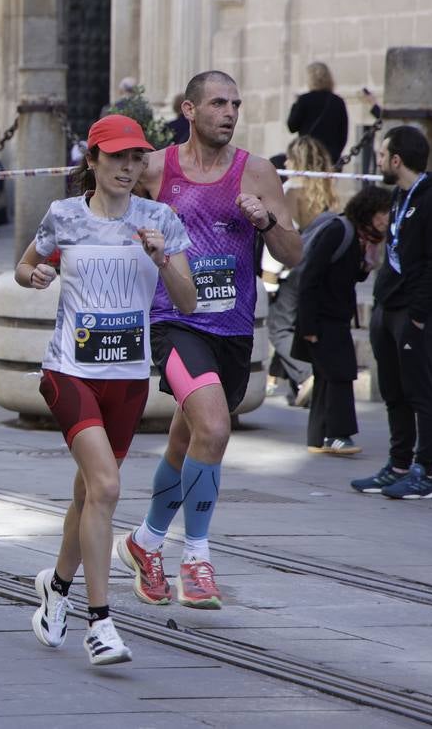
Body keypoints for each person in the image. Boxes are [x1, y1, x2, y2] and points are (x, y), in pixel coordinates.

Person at [116, 70, 301, 610]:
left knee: (187, 438)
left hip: (233, 331)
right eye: (218, 103)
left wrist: (266, 222)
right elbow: (100, 197)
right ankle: (195, 558)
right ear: (189, 110)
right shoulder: (155, 167)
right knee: (216, 427)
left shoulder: (258, 173)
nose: (229, 112)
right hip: (174, 322)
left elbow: (294, 254)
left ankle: (143, 542)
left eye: (236, 104)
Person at [16, 115, 195, 666]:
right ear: (91, 161)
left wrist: (163, 256)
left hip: (127, 380)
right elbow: (25, 265)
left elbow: (187, 303)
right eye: (116, 157)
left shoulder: (159, 219)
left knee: (88, 495)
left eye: (136, 157)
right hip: (69, 372)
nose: (127, 166)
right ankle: (102, 624)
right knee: (108, 487)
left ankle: (57, 587)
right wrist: (36, 276)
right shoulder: (64, 216)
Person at [350, 126, 432, 499]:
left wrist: (419, 313)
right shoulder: (399, 195)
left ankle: (426, 471)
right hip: (388, 307)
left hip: (415, 312)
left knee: (420, 391)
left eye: (381, 154)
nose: (378, 160)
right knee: (393, 391)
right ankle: (397, 464)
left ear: (397, 159)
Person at [294, 185, 392, 455]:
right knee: (341, 372)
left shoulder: (365, 241)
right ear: (368, 211)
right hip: (321, 318)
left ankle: (318, 437)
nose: (385, 219)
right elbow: (310, 277)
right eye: (382, 212)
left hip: (335, 316)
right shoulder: (340, 231)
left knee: (327, 376)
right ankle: (338, 435)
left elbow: (351, 274)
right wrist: (309, 326)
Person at [264, 136, 338, 405]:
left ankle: (306, 376)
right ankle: (298, 382)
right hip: (317, 264)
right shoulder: (326, 187)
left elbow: (281, 232)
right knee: (298, 324)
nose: (286, 162)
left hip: (292, 267)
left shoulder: (291, 189)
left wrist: (269, 278)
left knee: (279, 328)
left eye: (291, 157)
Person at [287, 62, 349, 164]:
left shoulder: (304, 100)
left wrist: (295, 104)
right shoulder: (338, 101)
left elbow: (292, 126)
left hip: (307, 156)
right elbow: (343, 134)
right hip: (330, 157)